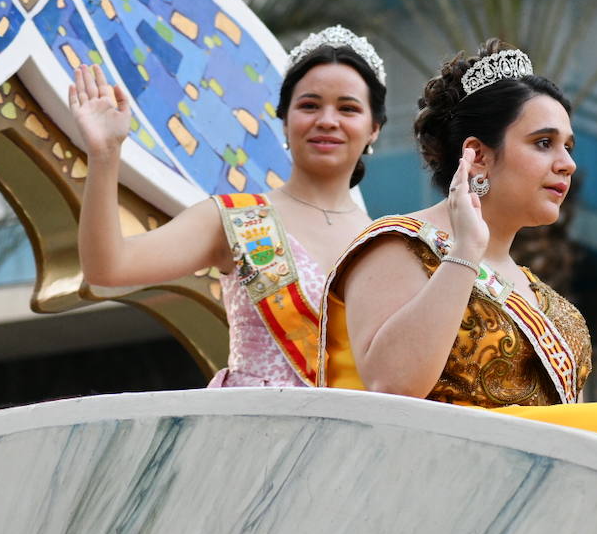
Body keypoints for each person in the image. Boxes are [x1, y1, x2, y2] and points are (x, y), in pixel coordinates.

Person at [323, 39, 597, 473]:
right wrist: (464, 251)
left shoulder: (540, 294)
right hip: (448, 487)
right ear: (477, 156)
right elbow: (392, 384)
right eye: (543, 143)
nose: (567, 163)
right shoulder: (398, 244)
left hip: (546, 499)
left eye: (568, 146)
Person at [70, 24, 386, 388]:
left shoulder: (383, 242)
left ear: (374, 127)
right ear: (284, 120)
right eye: (309, 105)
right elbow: (108, 267)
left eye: (347, 108)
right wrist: (105, 155)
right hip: (250, 431)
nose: (327, 121)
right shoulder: (236, 219)